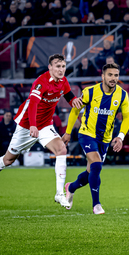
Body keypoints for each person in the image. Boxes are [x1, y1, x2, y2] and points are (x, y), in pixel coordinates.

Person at [0, 54, 83, 208]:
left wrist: (75, 102)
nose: (61, 69)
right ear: (50, 67)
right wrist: (32, 125)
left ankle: (59, 194)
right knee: (8, 160)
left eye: (63, 66)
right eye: (57, 66)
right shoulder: (41, 82)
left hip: (45, 125)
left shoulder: (63, 81)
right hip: (27, 125)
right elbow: (32, 104)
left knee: (61, 149)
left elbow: (68, 95)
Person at [62, 63, 129, 214]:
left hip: (105, 139)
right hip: (87, 134)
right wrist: (68, 132)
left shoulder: (122, 95)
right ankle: (96, 205)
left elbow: (127, 118)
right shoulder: (89, 92)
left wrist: (120, 137)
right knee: (97, 164)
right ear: (103, 76)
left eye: (116, 75)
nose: (113, 78)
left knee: (91, 172)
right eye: (110, 75)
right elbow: (75, 110)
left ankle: (71, 187)